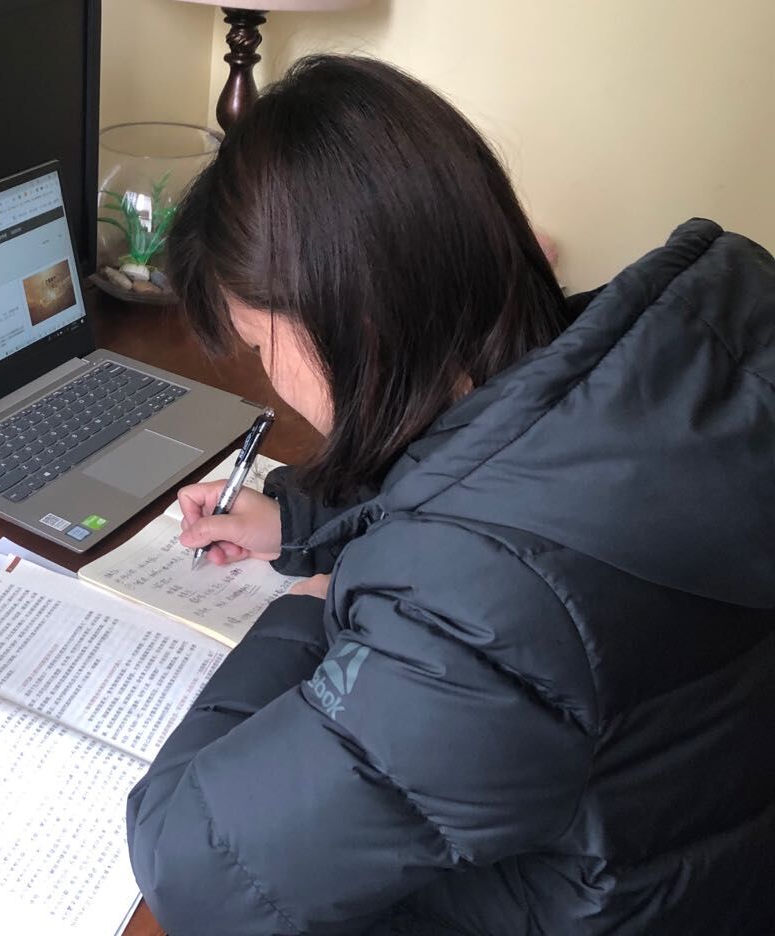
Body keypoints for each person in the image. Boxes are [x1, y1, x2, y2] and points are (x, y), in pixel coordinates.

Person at [126, 54, 775, 935]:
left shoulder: (479, 611)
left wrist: (306, 606)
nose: (272, 380)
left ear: (353, 324)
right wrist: (301, 520)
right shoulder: (674, 355)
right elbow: (508, 472)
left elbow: (196, 872)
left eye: (259, 342)